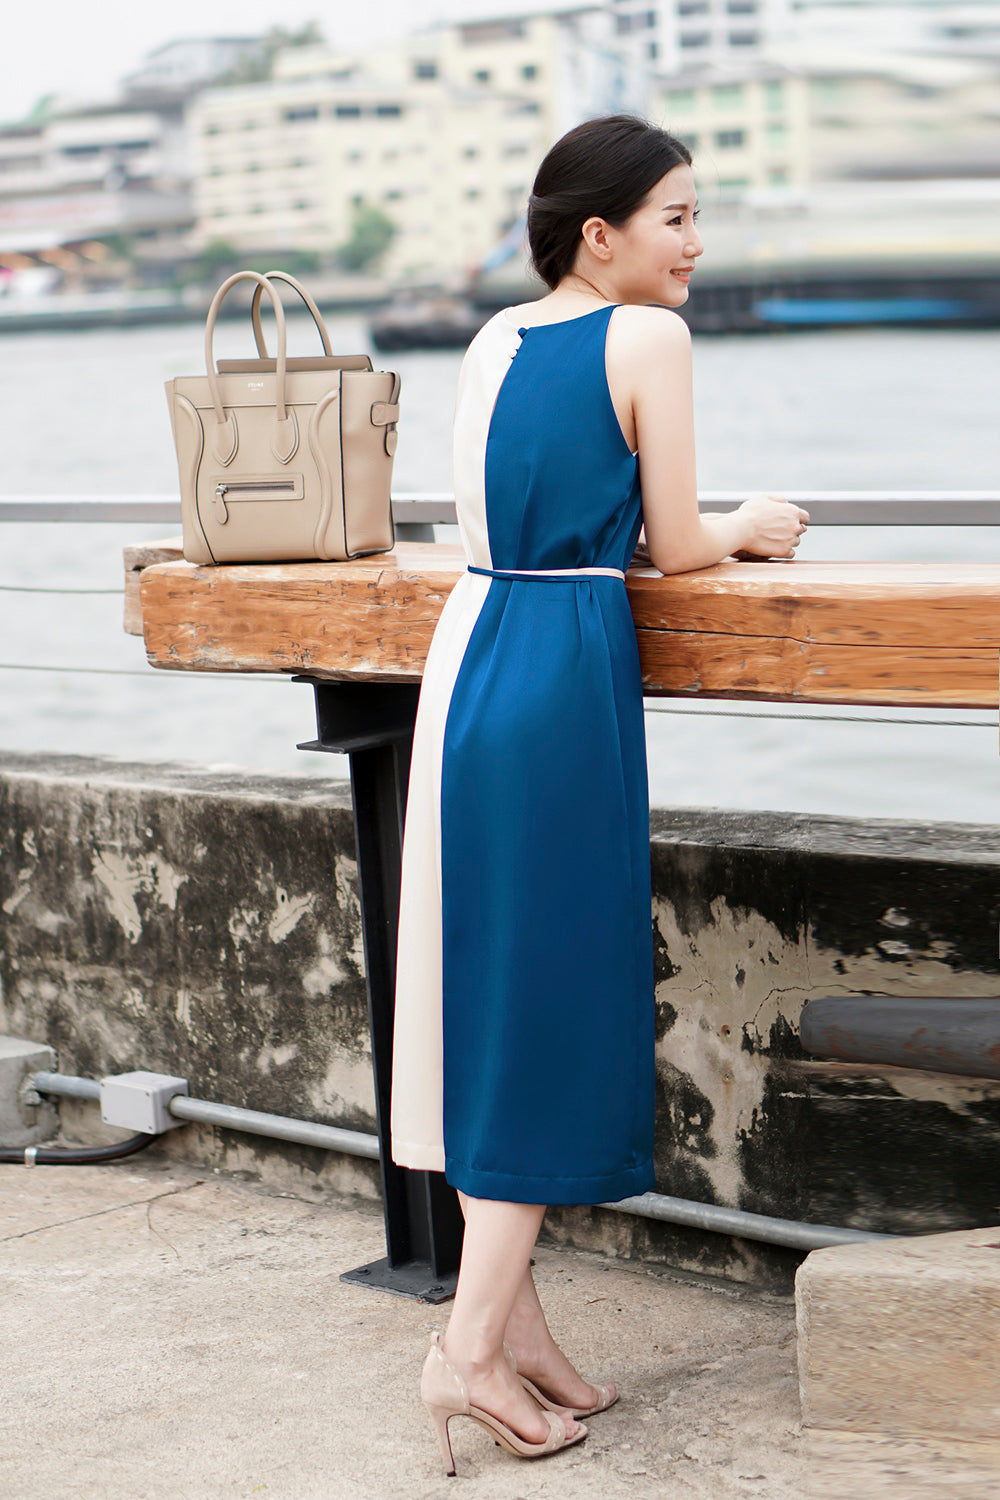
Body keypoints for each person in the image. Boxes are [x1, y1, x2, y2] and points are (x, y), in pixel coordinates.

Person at [389, 113, 809, 1476]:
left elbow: (507, 514)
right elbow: (678, 547)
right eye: (679, 217)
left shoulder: (497, 340)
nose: (698, 244)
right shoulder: (651, 342)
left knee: (493, 992)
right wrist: (744, 527)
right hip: (565, 679)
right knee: (549, 1009)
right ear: (603, 234)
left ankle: (517, 1333)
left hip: (477, 659)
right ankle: (461, 1351)